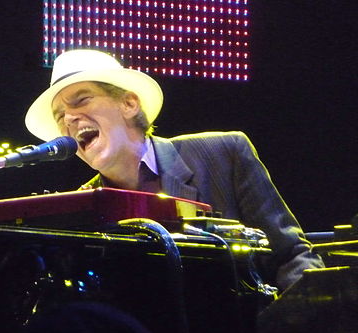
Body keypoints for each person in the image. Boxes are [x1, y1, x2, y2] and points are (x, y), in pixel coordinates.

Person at [24, 49, 324, 291]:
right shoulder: (82, 207)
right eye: (60, 115)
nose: (70, 119)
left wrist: (310, 315)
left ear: (129, 103)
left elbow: (291, 257)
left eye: (82, 100)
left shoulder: (224, 153)